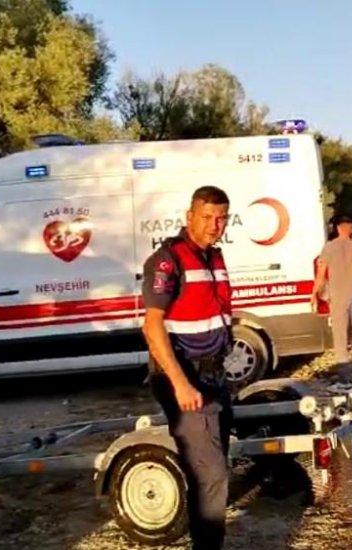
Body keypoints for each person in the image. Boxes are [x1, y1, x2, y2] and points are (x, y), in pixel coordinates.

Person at [141, 185, 234, 550]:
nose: (215, 225)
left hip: (213, 376)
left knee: (209, 472)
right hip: (184, 378)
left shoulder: (214, 256)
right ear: (189, 216)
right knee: (212, 476)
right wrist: (181, 384)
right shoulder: (168, 259)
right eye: (207, 217)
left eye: (222, 218)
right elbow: (151, 326)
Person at [312, 213, 352, 381]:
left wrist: (314, 294)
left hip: (337, 297)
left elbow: (321, 275)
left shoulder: (328, 247)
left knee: (340, 335)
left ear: (337, 228)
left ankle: (344, 374)